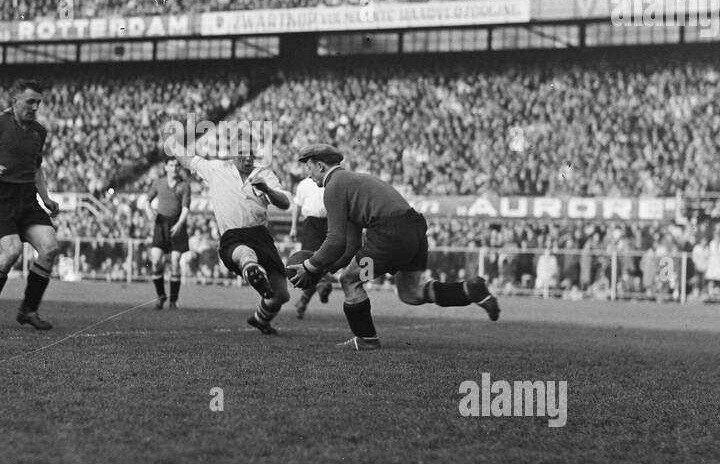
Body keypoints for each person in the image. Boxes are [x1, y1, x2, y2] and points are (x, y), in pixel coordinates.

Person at [287, 143, 498, 350]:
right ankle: (471, 289)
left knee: (350, 279)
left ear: (321, 166)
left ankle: (366, 338)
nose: (308, 174)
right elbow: (350, 246)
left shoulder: (333, 186)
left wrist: (310, 266)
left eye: (309, 167)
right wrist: (324, 268)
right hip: (413, 230)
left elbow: (335, 241)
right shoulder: (349, 181)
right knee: (411, 293)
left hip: (389, 235)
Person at [162, 128, 290, 336]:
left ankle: (260, 319)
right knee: (245, 254)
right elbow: (187, 160)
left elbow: (285, 203)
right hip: (233, 236)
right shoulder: (216, 169)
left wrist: (268, 190)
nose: (248, 158)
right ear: (232, 152)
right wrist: (169, 139)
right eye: (243, 153)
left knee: (282, 295)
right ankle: (252, 270)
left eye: (251, 153)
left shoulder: (265, 174)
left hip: (260, 234)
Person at [0, 78, 62, 330]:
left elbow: (36, 169)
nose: (34, 107)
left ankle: (28, 310)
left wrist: (46, 197)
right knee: (12, 251)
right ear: (15, 101)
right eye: (30, 102)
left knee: (50, 247)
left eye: (38, 103)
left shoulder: (39, 132)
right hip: (1, 199)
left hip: (27, 199)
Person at [146, 156, 191, 310]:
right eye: (171, 165)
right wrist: (148, 210)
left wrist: (180, 223)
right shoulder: (158, 183)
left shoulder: (184, 185)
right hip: (161, 224)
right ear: (165, 167)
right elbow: (147, 200)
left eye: (176, 165)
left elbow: (186, 207)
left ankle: (173, 301)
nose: (174, 167)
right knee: (156, 261)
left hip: (177, 224)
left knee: (175, 261)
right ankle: (160, 297)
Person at [289, 171, 334, 319]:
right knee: (312, 260)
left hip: (329, 223)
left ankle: (304, 300)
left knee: (325, 260)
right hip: (311, 224)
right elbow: (296, 205)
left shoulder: (330, 183)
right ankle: (322, 284)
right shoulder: (303, 184)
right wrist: (294, 227)